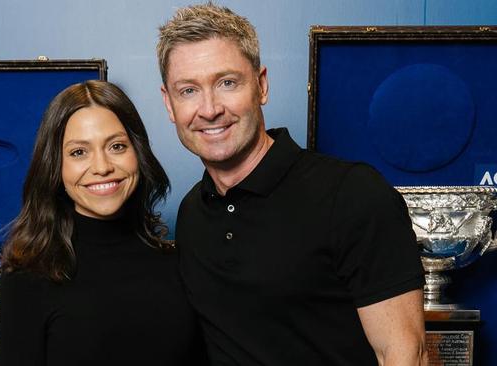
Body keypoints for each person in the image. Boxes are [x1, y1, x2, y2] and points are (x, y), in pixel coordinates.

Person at [157, 3, 427, 365]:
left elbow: (404, 354)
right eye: (188, 90)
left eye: (227, 83)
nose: (209, 109)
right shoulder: (192, 213)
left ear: (261, 85)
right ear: (169, 105)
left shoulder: (352, 194)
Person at [0, 80, 206, 365]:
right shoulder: (28, 276)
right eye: (79, 152)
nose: (102, 167)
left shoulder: (179, 262)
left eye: (117, 146)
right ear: (55, 165)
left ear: (138, 153)